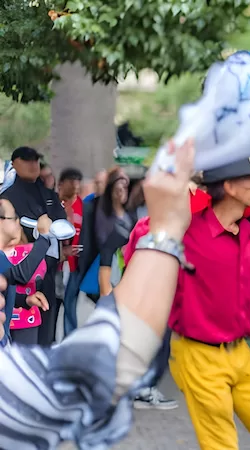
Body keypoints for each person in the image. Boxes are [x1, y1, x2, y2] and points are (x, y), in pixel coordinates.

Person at [0, 139, 194, 449]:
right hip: (60, 275)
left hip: (47, 279)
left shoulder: (48, 197)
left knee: (47, 331)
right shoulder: (13, 201)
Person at [131, 158, 250, 450]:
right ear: (230, 187)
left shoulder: (247, 232)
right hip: (198, 355)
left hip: (241, 352)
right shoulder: (188, 229)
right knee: (220, 445)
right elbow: (140, 241)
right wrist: (177, 203)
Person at [0, 146, 67, 346]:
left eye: (36, 160)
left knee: (47, 316)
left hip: (47, 267)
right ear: (14, 164)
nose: (33, 165)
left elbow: (61, 221)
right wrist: (43, 236)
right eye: (27, 160)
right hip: (21, 262)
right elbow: (17, 275)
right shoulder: (8, 196)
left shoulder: (47, 193)